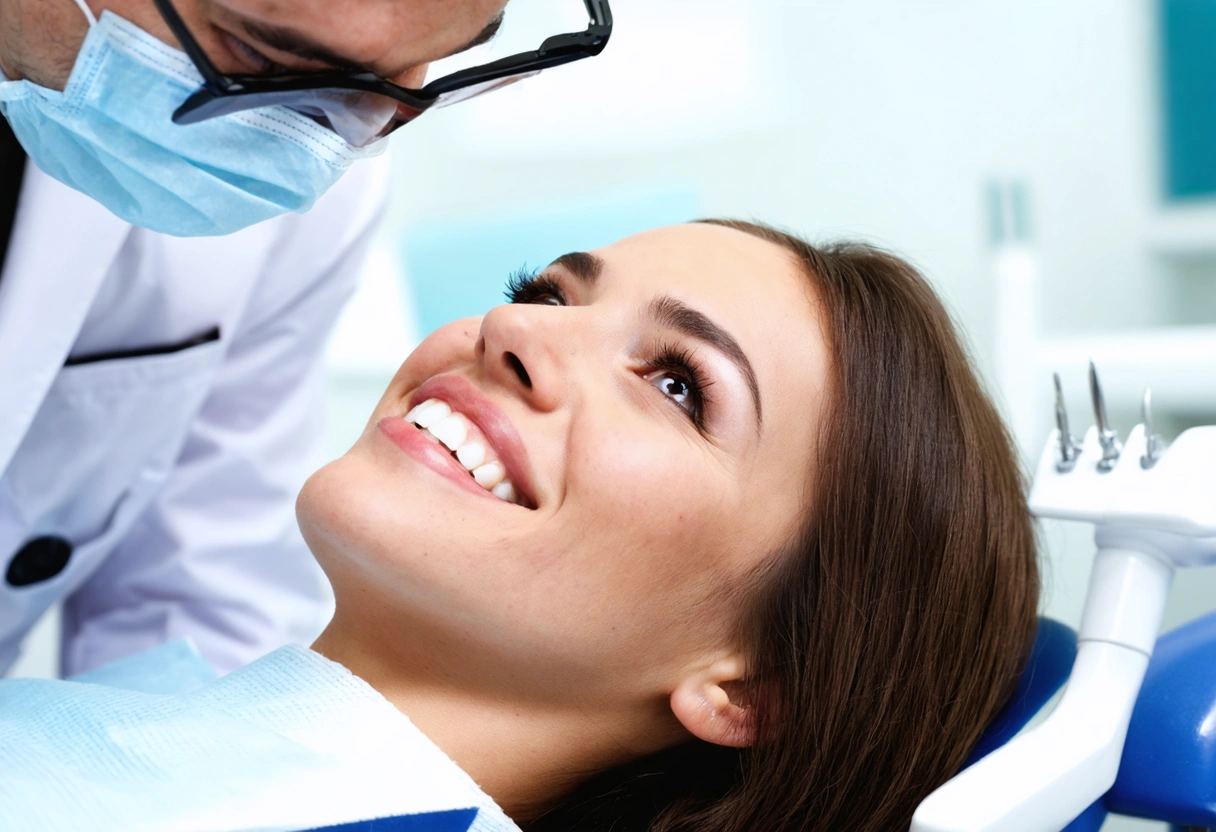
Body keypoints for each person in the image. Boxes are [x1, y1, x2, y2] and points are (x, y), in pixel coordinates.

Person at [0, 221, 1039, 832]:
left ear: (747, 683)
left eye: (678, 385)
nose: (515, 328)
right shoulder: (160, 710)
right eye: (545, 292)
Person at [0, 0, 611, 677]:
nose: (338, 137)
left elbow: (200, 594)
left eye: (426, 60)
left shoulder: (285, 178)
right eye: (261, 60)